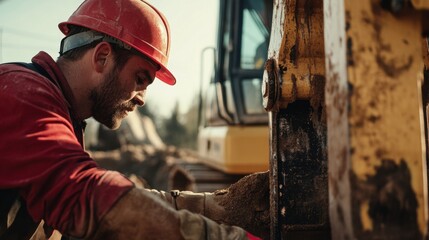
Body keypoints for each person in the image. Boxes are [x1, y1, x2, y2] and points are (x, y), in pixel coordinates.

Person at [0, 0, 269, 239]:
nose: (142, 98)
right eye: (140, 79)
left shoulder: (59, 110)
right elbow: (88, 196)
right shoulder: (23, 93)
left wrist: (211, 206)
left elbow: (96, 201)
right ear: (102, 56)